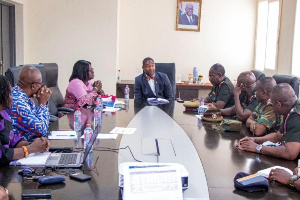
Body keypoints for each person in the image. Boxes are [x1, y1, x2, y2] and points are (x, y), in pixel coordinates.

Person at [237, 83, 300, 160]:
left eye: (273, 104)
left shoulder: (296, 116)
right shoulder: (291, 110)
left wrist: (258, 148)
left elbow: (289, 153)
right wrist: (254, 140)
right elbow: (277, 136)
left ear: (279, 104)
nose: (272, 107)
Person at [0, 75, 49, 166]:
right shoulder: (17, 102)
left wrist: (36, 145)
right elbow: (3, 155)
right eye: (10, 94)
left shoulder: (3, 113)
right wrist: (31, 148)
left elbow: (14, 139)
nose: (12, 97)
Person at [10, 66, 52, 142]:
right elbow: (41, 130)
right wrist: (43, 104)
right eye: (41, 84)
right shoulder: (18, 102)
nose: (42, 87)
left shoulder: (25, 97)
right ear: (33, 86)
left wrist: (42, 104)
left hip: (31, 143)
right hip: (22, 148)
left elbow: (37, 119)